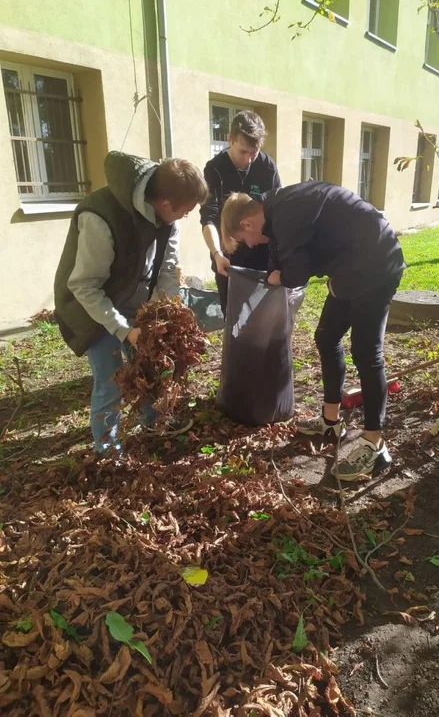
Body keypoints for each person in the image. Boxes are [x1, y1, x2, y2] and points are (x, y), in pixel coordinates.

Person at [220, 181, 405, 481]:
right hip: (350, 267)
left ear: (247, 222)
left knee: (366, 351)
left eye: (246, 238)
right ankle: (331, 422)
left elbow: (297, 272)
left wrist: (281, 276)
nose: (252, 244)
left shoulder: (286, 212)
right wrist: (273, 273)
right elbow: (278, 256)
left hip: (376, 264)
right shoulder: (275, 208)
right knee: (327, 336)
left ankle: (375, 444)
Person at [54, 150, 208, 454]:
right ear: (165, 204)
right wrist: (125, 331)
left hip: (132, 299)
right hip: (92, 308)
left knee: (149, 363)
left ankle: (152, 421)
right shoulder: (101, 218)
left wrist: (169, 312)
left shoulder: (166, 217)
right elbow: (85, 286)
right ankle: (108, 451)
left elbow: (166, 268)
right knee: (112, 380)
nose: (185, 216)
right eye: (185, 211)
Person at [200, 110, 281, 317]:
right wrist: (217, 253)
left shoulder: (267, 167)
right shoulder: (215, 169)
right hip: (228, 259)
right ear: (229, 140)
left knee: (263, 317)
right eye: (243, 152)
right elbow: (209, 216)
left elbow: (277, 211)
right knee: (234, 318)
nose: (249, 159)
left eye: (254, 152)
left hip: (261, 257)